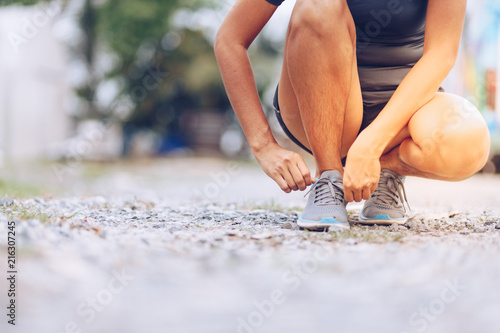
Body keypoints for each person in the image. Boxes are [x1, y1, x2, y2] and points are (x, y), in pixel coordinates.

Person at [214, 0, 490, 230]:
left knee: (469, 140)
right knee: (318, 4)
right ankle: (330, 176)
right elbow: (230, 40)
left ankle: (386, 170)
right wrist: (263, 145)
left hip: (402, 117)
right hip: (319, 107)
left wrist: (372, 144)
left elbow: (441, 53)